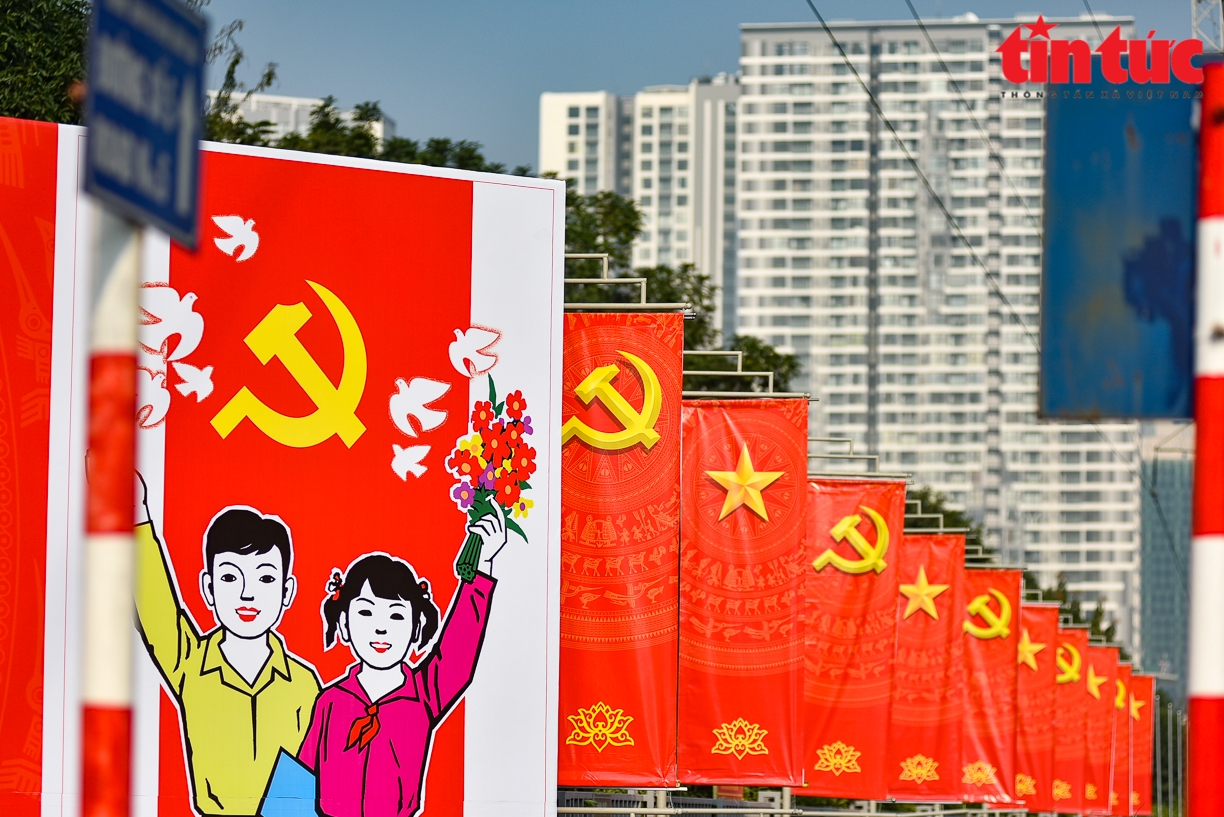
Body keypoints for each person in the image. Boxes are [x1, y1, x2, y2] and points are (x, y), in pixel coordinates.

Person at [297, 505, 506, 817]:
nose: (381, 628)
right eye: (366, 612)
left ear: (416, 628)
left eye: (396, 615)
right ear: (344, 624)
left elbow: (459, 651)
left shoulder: (424, 694)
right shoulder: (330, 701)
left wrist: (483, 565)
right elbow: (300, 779)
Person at [135, 479, 321, 817]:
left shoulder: (304, 683)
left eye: (266, 579)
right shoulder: (191, 664)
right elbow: (156, 608)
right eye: (230, 578)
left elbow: (316, 771)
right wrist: (137, 515)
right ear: (208, 588)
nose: (248, 594)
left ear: (287, 591)